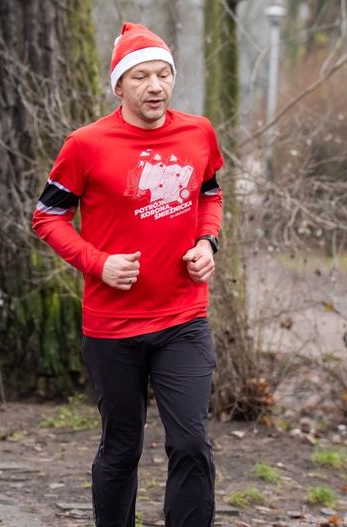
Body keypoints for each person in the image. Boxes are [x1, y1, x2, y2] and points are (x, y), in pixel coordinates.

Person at [32, 22, 223, 527]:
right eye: (141, 77)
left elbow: (209, 194)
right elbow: (47, 217)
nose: (154, 86)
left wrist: (208, 241)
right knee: (122, 448)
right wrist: (98, 262)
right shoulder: (86, 144)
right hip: (113, 327)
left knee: (191, 442)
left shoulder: (198, 132)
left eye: (163, 75)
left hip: (183, 317)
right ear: (120, 86)